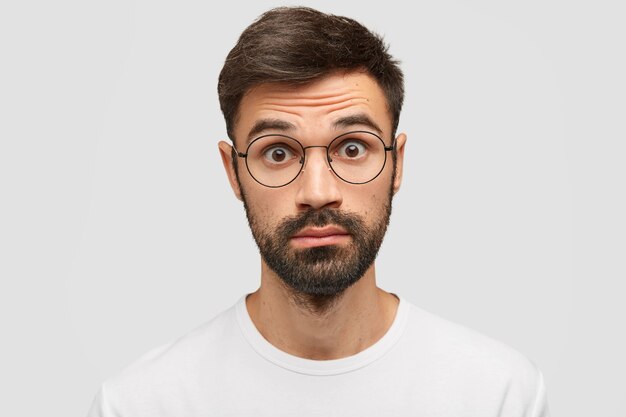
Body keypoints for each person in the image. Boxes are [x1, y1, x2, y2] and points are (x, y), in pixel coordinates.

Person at [87, 6, 550, 416]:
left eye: (352, 147)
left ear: (397, 164)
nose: (317, 192)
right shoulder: (142, 404)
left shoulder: (499, 395)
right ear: (233, 173)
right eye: (278, 152)